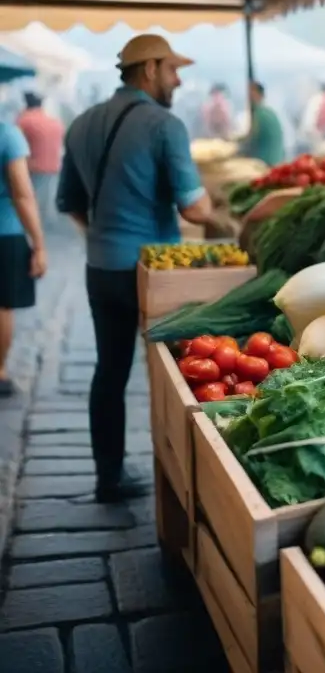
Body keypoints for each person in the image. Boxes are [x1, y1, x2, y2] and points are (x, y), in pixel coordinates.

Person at [57, 34, 212, 503]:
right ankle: (183, 484)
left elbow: (69, 202)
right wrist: (219, 206)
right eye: (171, 69)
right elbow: (195, 211)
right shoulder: (164, 125)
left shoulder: (81, 123)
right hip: (154, 272)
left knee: (110, 370)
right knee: (174, 377)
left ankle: (109, 475)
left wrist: (106, 239)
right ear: (148, 70)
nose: (178, 79)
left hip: (101, 267)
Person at [0, 121, 46, 397]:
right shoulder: (7, 133)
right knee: (3, 304)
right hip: (4, 233)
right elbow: (21, 192)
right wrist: (39, 245)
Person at [16, 91, 64, 227]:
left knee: (30, 196)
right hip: (54, 165)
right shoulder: (53, 121)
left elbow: (14, 143)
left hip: (32, 166)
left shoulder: (24, 120)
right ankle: (46, 222)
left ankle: (32, 222)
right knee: (47, 196)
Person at [239, 81, 285, 166]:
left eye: (252, 94)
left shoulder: (260, 114)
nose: (250, 98)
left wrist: (238, 147)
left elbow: (252, 138)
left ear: (260, 95)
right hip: (277, 160)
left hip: (266, 162)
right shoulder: (270, 112)